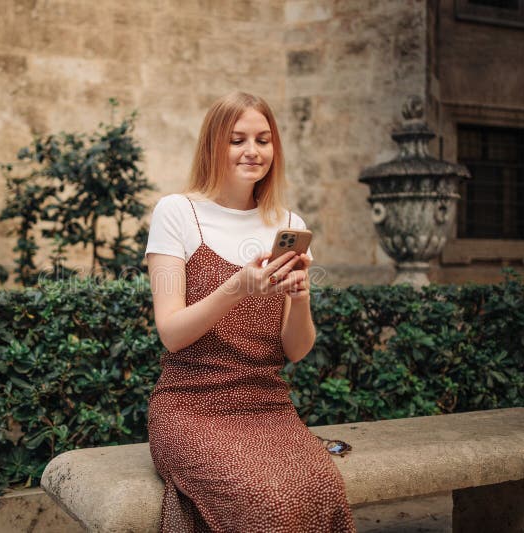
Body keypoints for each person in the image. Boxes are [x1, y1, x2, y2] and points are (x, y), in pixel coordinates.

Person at [145, 91, 355, 532]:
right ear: (213, 145)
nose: (252, 151)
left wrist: (299, 296)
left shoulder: (288, 223)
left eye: (263, 139)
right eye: (237, 139)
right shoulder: (176, 213)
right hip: (190, 408)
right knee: (267, 498)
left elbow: (295, 350)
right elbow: (170, 332)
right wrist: (237, 287)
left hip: (268, 406)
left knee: (320, 487)